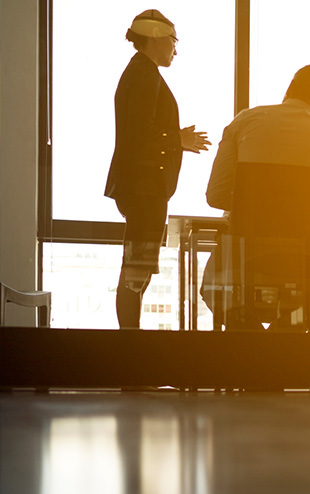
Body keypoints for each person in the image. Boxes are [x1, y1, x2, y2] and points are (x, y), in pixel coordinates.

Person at [201, 64, 310, 326]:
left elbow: (216, 195)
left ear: (288, 90)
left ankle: (250, 342)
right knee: (300, 300)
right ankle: (280, 348)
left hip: (245, 261)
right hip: (304, 266)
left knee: (215, 288)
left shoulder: (245, 121)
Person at [105, 9, 211, 329]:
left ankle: (131, 355)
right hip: (144, 188)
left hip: (144, 187)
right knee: (136, 271)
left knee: (138, 269)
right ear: (155, 36)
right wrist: (178, 139)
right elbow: (139, 136)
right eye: (173, 41)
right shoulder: (142, 74)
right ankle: (131, 359)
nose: (175, 50)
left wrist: (178, 141)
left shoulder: (142, 72)